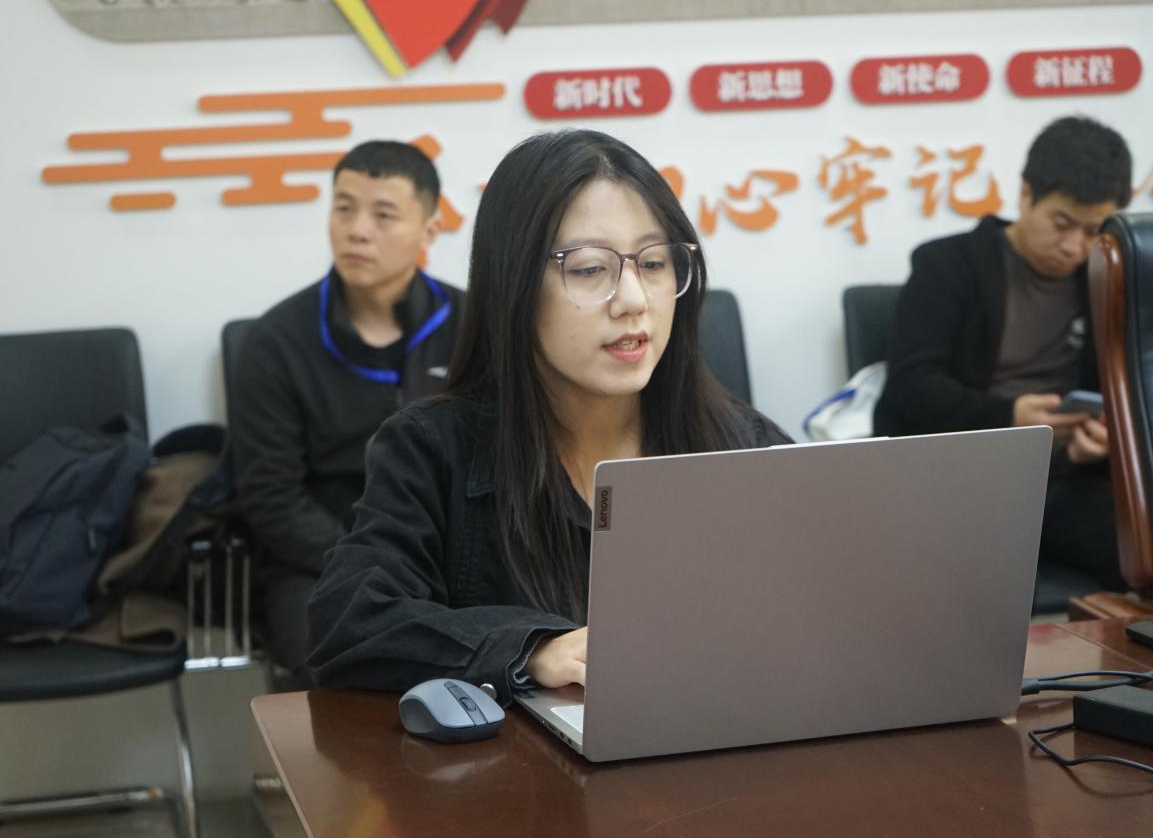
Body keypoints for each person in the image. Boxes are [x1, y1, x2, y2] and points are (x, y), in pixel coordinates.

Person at [305, 129, 791, 698]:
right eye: (589, 269)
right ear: (512, 284)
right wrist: (530, 649)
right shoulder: (433, 449)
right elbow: (349, 623)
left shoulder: (743, 442)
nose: (634, 300)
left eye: (654, 263)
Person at [230, 140, 464, 684]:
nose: (358, 231)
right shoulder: (276, 341)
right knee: (350, 676)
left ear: (429, 231)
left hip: (452, 551)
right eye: (344, 209)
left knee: (509, 650)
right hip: (321, 561)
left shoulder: (474, 326)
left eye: (384, 215)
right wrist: (370, 563)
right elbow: (271, 497)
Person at [873, 116, 1132, 591]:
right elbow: (909, 388)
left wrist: (1104, 439)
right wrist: (1008, 416)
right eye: (1062, 223)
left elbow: (1129, 390)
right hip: (963, 484)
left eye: (1093, 230)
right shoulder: (947, 266)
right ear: (1026, 195)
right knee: (984, 580)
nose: (1074, 247)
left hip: (1064, 481)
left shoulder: (1107, 279)